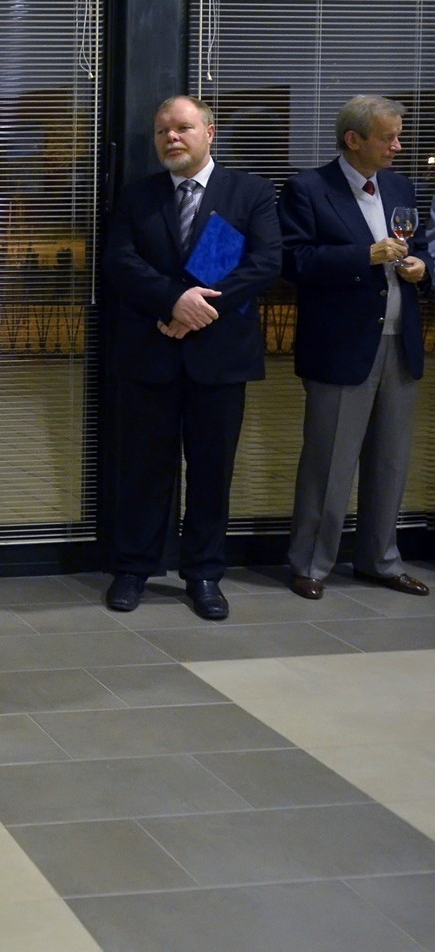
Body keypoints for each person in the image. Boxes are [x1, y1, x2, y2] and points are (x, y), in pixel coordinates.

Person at [101, 96, 281, 620]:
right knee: (143, 470)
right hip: (149, 357)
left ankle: (204, 574)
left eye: (183, 128)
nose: (171, 138)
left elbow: (265, 262)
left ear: (209, 132)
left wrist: (197, 310)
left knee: (211, 471)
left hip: (220, 359)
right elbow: (120, 261)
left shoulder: (249, 192)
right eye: (163, 131)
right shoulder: (138, 196)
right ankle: (134, 568)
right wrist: (173, 300)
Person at [281, 95, 430, 600]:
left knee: (391, 462)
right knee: (329, 464)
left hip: (400, 344)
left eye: (398, 136)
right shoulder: (308, 189)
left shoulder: (400, 186)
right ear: (354, 139)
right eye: (388, 137)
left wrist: (424, 267)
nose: (398, 146)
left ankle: (379, 560)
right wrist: (364, 254)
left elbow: (422, 246)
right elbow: (294, 262)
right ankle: (310, 564)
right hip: (340, 347)